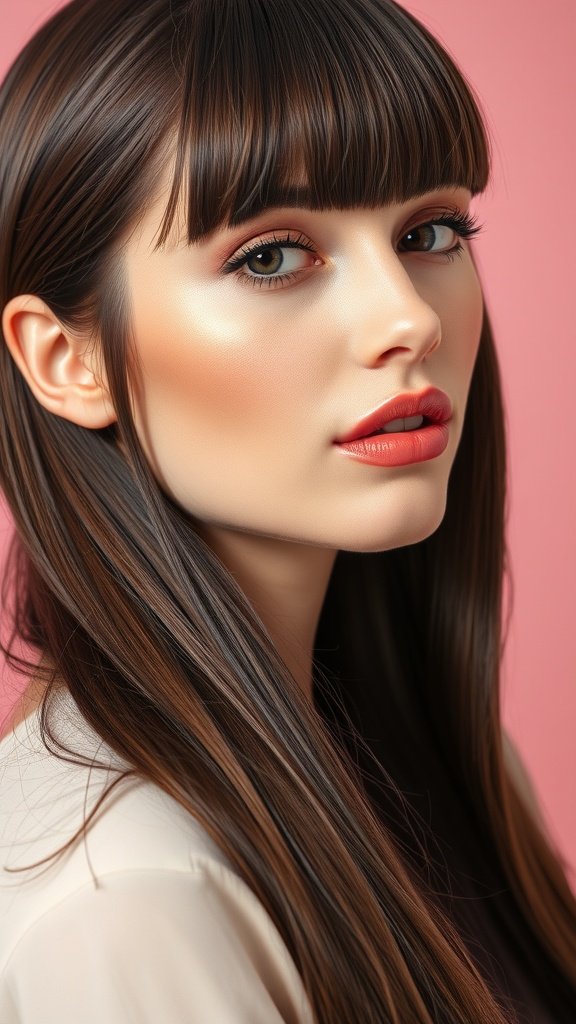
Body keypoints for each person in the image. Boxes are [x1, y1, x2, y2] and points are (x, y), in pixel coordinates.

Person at [0, 0, 575, 1021]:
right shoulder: (129, 900)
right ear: (67, 360)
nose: (408, 318)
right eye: (270, 257)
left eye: (430, 232)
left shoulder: (446, 771)